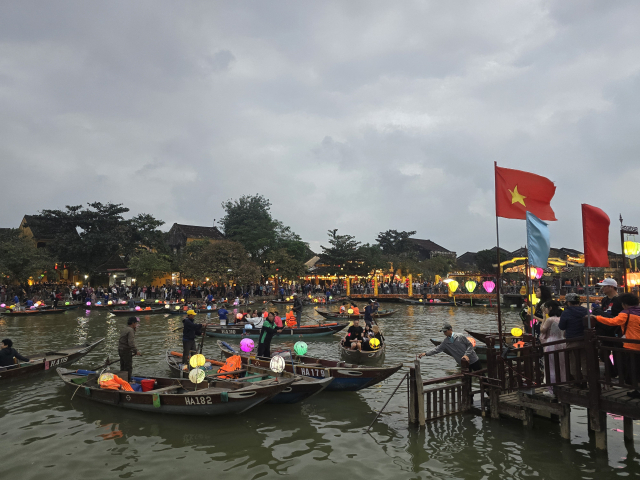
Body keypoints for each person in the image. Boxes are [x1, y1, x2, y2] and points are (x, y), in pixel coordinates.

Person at [594, 293, 640, 398]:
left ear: (624, 304)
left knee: (633, 368)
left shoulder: (626, 314)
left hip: (631, 345)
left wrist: (597, 318)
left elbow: (612, 322)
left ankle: (636, 390)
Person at [594, 278, 622, 378]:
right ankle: (611, 371)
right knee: (603, 352)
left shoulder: (620, 300)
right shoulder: (605, 300)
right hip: (604, 328)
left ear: (611, 287)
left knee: (617, 352)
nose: (602, 288)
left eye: (604, 286)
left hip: (616, 328)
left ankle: (619, 373)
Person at [558, 293, 588, 383]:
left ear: (568, 302)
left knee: (574, 361)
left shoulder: (566, 312)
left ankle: (577, 380)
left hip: (572, 339)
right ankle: (587, 379)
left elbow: (562, 326)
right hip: (585, 338)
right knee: (585, 359)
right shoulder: (585, 310)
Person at [539, 300, 566, 397]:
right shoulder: (561, 318)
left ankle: (552, 390)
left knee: (551, 366)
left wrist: (543, 317)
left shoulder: (550, 320)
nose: (545, 309)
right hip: (562, 342)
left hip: (551, 343)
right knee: (561, 366)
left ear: (550, 308)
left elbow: (542, 329)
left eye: (546, 307)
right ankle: (561, 386)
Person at [118, 317, 141, 381]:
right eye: (136, 323)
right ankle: (127, 382)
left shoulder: (124, 329)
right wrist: (135, 351)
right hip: (126, 351)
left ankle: (121, 380)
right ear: (133, 323)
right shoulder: (130, 330)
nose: (136, 324)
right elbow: (131, 342)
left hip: (120, 350)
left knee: (123, 367)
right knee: (128, 367)